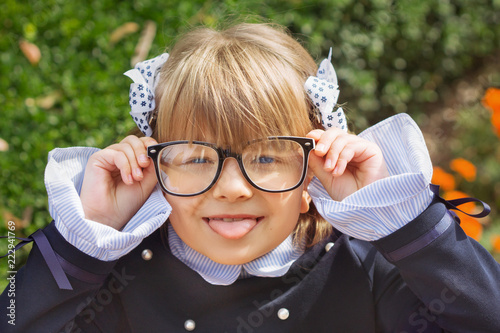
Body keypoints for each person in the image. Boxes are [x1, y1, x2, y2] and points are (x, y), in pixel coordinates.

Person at [1, 22, 499, 333]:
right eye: (195, 157)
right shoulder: (123, 279)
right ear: (155, 170)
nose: (233, 187)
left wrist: (409, 228)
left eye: (267, 157)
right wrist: (82, 244)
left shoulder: (364, 270)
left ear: (313, 172)